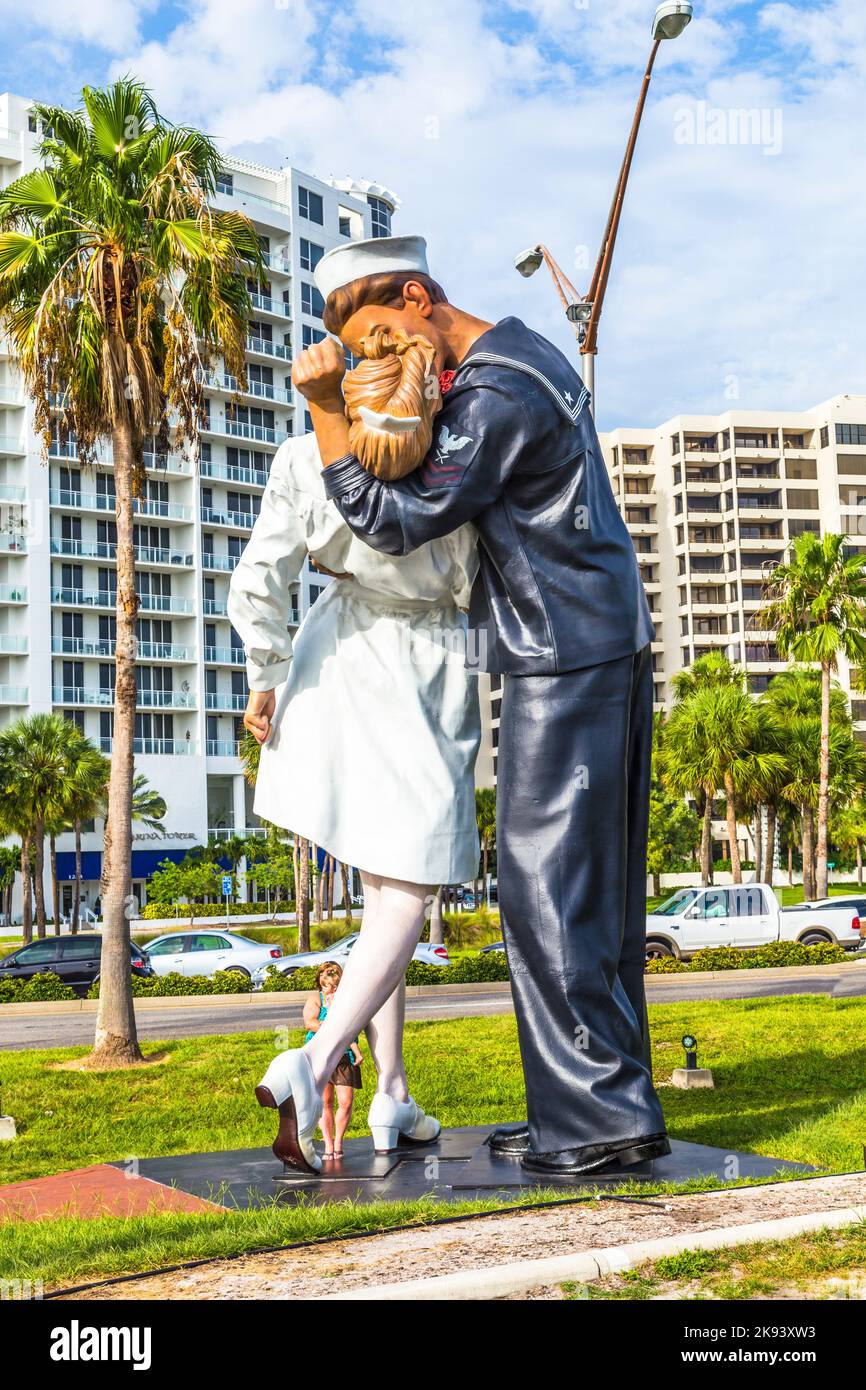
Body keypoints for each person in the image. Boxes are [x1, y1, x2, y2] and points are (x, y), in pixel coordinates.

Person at [291, 232, 670, 1178]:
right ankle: (599, 1104)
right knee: (596, 895)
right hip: (597, 634)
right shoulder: (517, 355)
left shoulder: (496, 392)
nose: (378, 354)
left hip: (566, 651)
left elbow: (394, 516)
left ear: (420, 296)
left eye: (380, 331)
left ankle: (594, 1124)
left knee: (547, 893)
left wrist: (328, 410)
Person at [228, 327, 480, 1174]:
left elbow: (256, 581)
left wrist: (265, 675)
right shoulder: (457, 459)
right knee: (406, 896)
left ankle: (392, 1093)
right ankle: (317, 1058)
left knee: (383, 907)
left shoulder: (306, 455)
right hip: (424, 668)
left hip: (332, 659)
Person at [304, 962, 363, 1159]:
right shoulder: (315, 999)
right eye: (322, 981)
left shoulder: (346, 999)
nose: (325, 986)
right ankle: (329, 1144)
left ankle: (339, 1141)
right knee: (325, 1101)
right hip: (320, 1053)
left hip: (344, 1053)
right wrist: (333, 1029)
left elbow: (354, 1023)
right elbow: (309, 1022)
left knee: (346, 1101)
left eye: (329, 981)